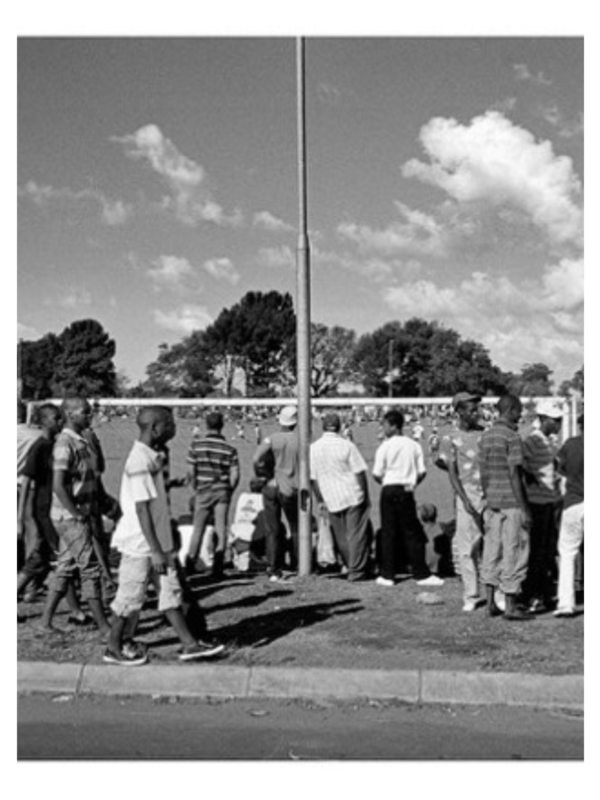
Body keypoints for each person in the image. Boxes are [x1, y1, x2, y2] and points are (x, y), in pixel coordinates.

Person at [105, 407, 225, 666]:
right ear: (155, 428)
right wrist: (156, 549)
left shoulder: (151, 456)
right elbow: (141, 507)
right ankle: (113, 647)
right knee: (130, 596)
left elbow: (152, 497)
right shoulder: (139, 459)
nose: (174, 429)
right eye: (170, 425)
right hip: (142, 542)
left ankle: (190, 644)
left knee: (170, 591)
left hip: (157, 538)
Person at [38, 398, 111, 636]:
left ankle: (46, 622)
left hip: (78, 514)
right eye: (85, 412)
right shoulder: (64, 443)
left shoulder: (82, 441)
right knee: (90, 570)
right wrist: (77, 514)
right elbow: (59, 485)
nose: (89, 416)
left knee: (65, 567)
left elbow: (93, 474)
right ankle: (104, 628)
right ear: (69, 414)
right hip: (69, 519)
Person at [372, 410, 443, 588]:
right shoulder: (413, 445)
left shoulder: (385, 446)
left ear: (394, 426)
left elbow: (376, 473)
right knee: (411, 532)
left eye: (385, 425)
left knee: (388, 532)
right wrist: (412, 485)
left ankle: (387, 574)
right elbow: (422, 471)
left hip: (388, 489)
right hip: (406, 489)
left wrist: (386, 484)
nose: (383, 428)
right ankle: (421, 573)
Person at [479, 394, 532, 621]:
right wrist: (524, 507)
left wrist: (488, 496)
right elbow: (514, 473)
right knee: (514, 550)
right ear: (510, 410)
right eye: (518, 411)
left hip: (492, 502)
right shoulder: (512, 437)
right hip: (511, 502)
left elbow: (482, 473)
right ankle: (510, 605)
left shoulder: (486, 436)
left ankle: (490, 602)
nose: (520, 416)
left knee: (492, 550)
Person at [437, 392, 485, 612]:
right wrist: (464, 498)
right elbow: (451, 472)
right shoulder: (449, 439)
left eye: (478, 409)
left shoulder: (485, 435)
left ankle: (499, 593)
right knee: (468, 547)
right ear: (460, 412)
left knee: (494, 543)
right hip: (466, 495)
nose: (477, 413)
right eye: (472, 409)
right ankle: (471, 594)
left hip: (489, 495)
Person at [310, 413, 373, 582]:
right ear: (339, 427)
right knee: (356, 534)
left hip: (330, 495)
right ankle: (356, 569)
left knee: (341, 536)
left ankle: (349, 564)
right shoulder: (347, 446)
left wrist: (320, 499)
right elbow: (359, 472)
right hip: (352, 494)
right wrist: (365, 494)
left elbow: (313, 478)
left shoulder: (314, 448)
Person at [186, 411, 240, 580]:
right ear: (222, 426)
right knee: (221, 527)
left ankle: (190, 562)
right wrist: (229, 489)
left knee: (198, 528)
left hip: (203, 489)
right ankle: (218, 566)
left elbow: (190, 471)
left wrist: (194, 488)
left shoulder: (196, 445)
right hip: (222, 490)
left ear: (206, 424)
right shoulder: (230, 449)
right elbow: (235, 473)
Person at [522, 398, 564, 613]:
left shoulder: (548, 441)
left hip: (550, 502)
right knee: (538, 551)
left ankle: (545, 593)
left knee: (547, 550)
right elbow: (523, 468)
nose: (558, 424)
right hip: (537, 503)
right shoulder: (532, 441)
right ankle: (533, 594)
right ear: (543, 419)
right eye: (555, 420)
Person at [252, 406, 299, 581]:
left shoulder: (271, 439)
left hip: (272, 486)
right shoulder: (301, 440)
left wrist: (262, 476)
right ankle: (298, 563)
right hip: (292, 486)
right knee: (296, 527)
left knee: (273, 529)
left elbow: (256, 458)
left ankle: (273, 568)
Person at [554, 413, 585, 618]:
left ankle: (566, 603)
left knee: (567, 552)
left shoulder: (570, 445)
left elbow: (559, 469)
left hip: (574, 502)